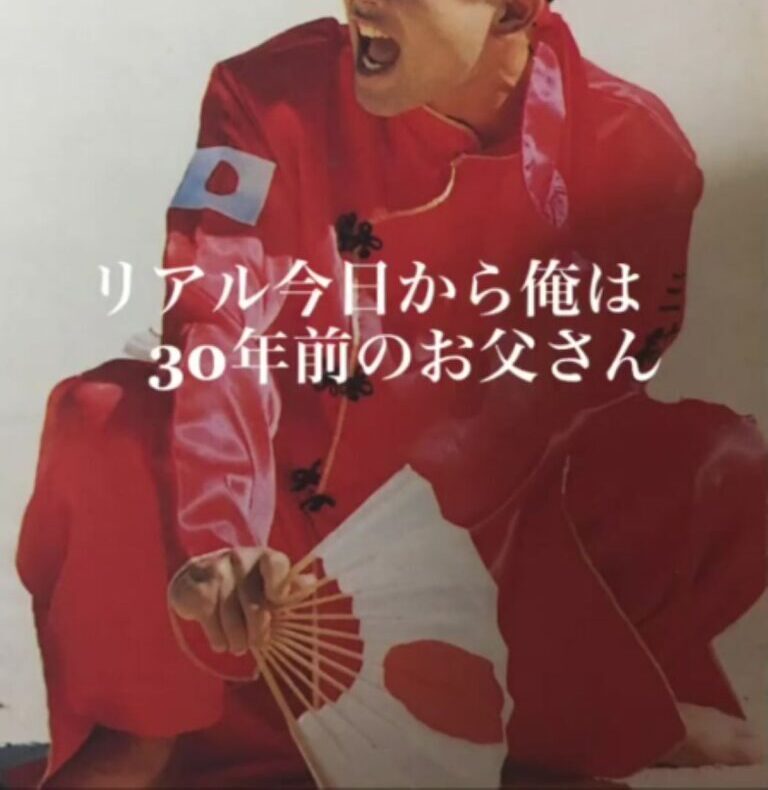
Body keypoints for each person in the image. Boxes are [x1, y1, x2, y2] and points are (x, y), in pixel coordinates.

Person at [12, 0, 767, 786]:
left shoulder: (636, 148)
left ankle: (572, 718)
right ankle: (140, 732)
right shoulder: (261, 97)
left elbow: (549, 420)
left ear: (514, 9)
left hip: (491, 545)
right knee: (104, 416)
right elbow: (215, 319)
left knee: (723, 465)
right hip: (269, 540)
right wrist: (222, 538)